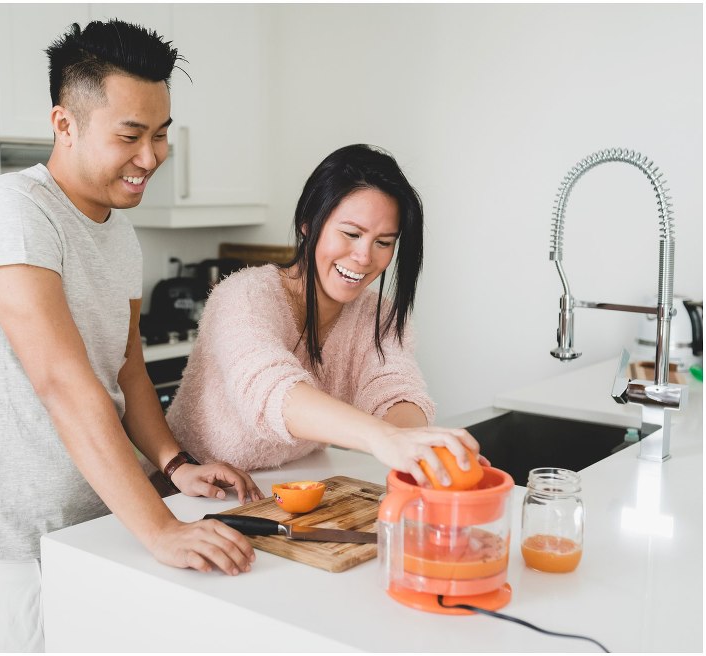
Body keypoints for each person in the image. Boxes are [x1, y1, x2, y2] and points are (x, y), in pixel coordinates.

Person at [0, 19, 263, 653]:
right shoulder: (15, 210)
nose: (151, 157)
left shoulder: (119, 230)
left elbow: (126, 372)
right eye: (131, 135)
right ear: (64, 123)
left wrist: (174, 468)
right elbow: (63, 383)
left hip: (107, 516)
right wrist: (161, 530)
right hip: (27, 537)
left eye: (161, 134)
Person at [167, 144, 485, 487]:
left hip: (283, 490)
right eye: (351, 234)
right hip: (189, 493)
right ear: (308, 224)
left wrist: (416, 444)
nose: (364, 257)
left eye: (384, 242)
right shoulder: (243, 296)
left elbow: (395, 390)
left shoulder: (377, 315)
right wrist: (383, 438)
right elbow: (270, 391)